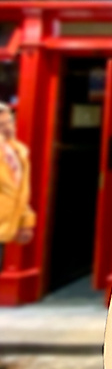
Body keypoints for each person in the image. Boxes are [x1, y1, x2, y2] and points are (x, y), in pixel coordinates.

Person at [0, 102, 34, 264]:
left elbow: (20, 191)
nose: (7, 128)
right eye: (1, 125)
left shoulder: (18, 152)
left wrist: (24, 222)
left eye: (9, 122)